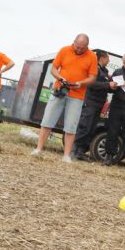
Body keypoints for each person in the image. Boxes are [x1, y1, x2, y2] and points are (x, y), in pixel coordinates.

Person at [31, 34, 98, 163]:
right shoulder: (64, 50)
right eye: (77, 46)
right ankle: (38, 149)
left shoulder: (92, 56)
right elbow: (54, 68)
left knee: (71, 126)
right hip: (59, 90)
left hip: (77, 95)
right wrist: (60, 78)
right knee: (47, 121)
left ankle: (66, 155)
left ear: (87, 46)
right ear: (74, 42)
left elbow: (93, 77)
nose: (79, 50)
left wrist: (81, 83)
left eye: (82, 48)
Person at [71, 49, 112, 161]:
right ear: (102, 58)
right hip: (90, 102)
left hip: (99, 103)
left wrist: (112, 85)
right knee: (84, 126)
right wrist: (108, 85)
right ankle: (73, 150)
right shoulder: (95, 69)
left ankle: (80, 152)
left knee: (91, 128)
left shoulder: (105, 71)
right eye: (108, 58)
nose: (109, 60)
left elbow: (104, 86)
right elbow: (93, 84)